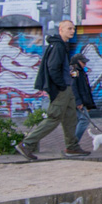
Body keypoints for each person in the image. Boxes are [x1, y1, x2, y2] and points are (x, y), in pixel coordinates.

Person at [16, 20, 89, 159]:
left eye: (73, 29)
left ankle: (72, 147)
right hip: (62, 89)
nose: (72, 31)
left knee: (70, 117)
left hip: (67, 88)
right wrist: (61, 85)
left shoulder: (62, 45)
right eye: (69, 28)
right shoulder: (58, 46)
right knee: (54, 118)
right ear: (61, 29)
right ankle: (27, 144)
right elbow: (53, 68)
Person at [70, 53, 97, 142]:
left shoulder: (81, 71)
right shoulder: (74, 71)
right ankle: (74, 142)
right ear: (78, 61)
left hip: (81, 100)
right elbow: (73, 87)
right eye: (83, 62)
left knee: (78, 120)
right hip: (78, 101)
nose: (85, 64)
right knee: (84, 120)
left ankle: (72, 142)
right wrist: (78, 101)